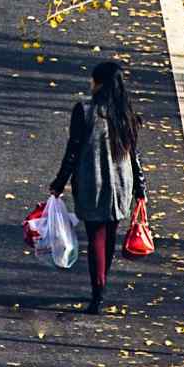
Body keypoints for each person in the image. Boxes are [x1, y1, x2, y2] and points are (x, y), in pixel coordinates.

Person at [51, 56, 145, 313]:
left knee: (96, 237)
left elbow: (73, 150)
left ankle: (97, 291)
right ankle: (101, 286)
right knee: (110, 235)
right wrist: (141, 188)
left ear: (99, 83)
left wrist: (59, 182)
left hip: (93, 181)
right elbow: (135, 155)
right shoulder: (127, 115)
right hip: (121, 184)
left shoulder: (84, 111)